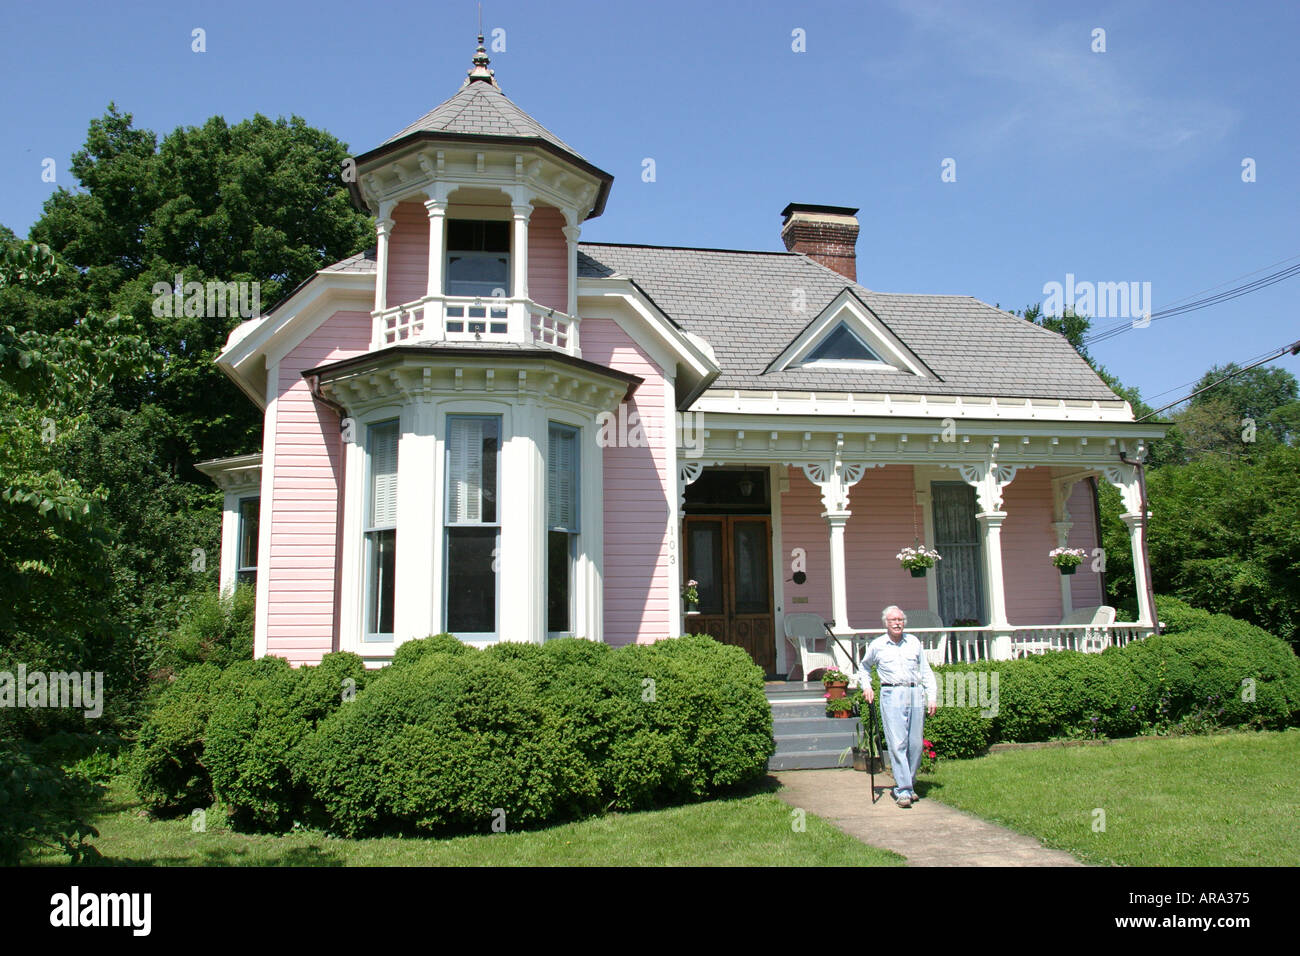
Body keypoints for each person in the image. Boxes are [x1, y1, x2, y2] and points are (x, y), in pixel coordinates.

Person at [855, 606, 937, 808]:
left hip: (915, 692)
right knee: (898, 743)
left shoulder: (913, 642)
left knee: (915, 744)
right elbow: (864, 667)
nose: (897, 623)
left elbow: (926, 671)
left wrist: (932, 696)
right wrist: (867, 687)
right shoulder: (877, 645)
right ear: (886, 623)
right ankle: (904, 790)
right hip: (891, 693)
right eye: (893, 620)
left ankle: (909, 783)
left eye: (900, 620)